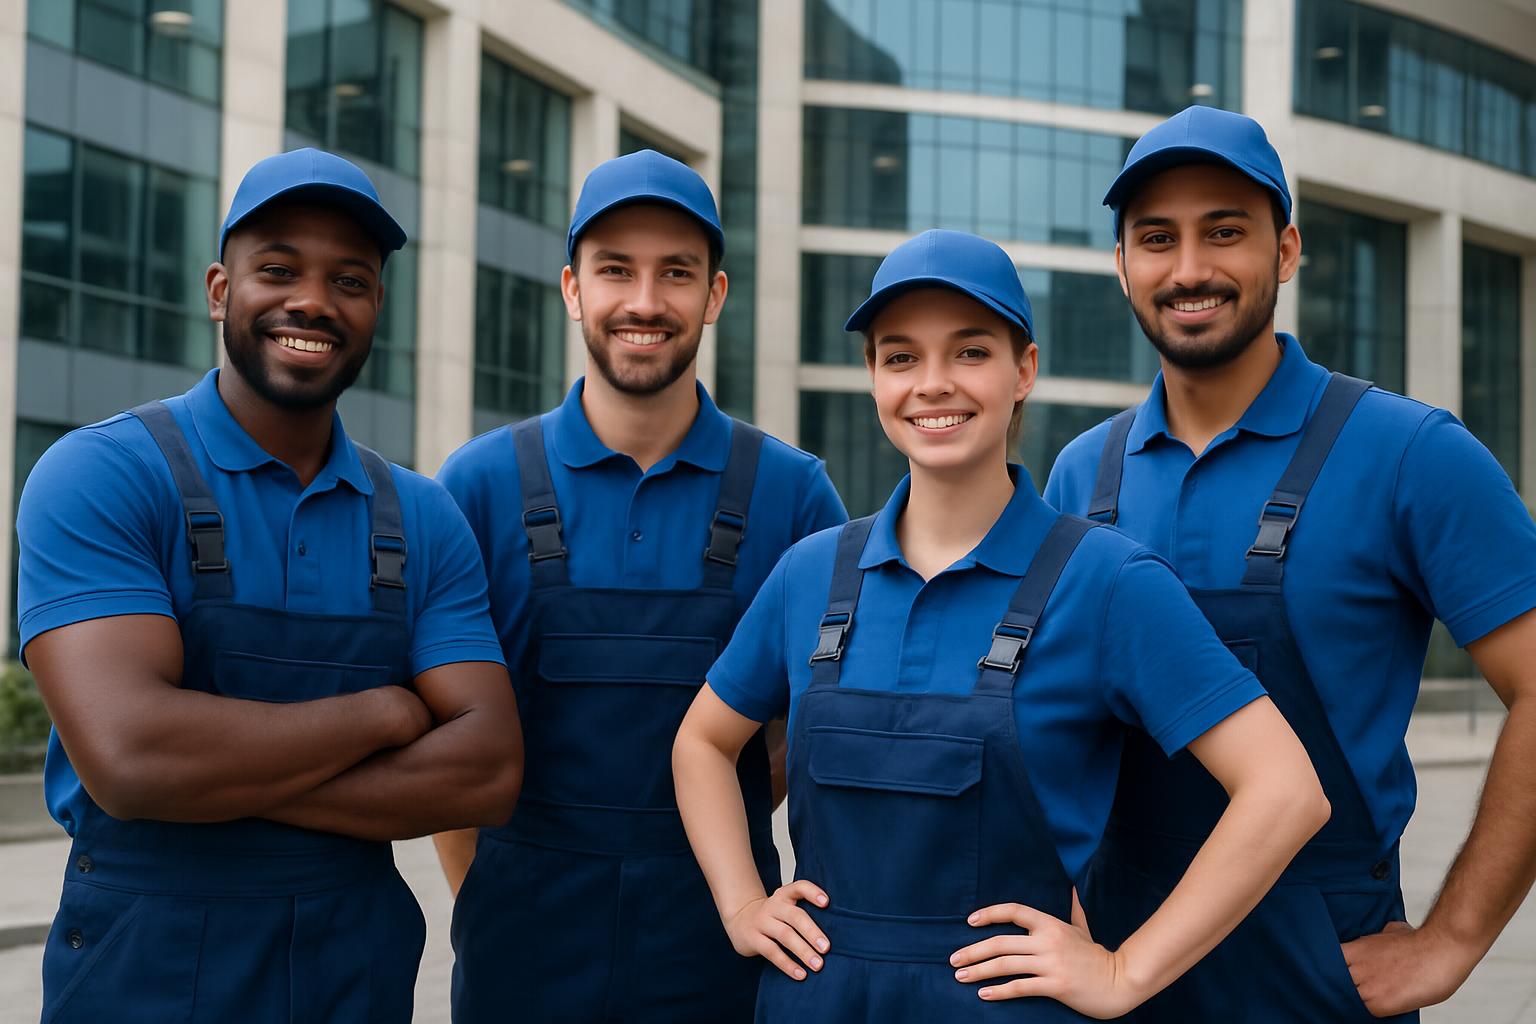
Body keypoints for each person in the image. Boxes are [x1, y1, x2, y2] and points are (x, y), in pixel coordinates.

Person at [673, 228, 1330, 1022]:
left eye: (970, 352)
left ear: (1024, 371)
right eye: (901, 356)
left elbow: (1285, 791)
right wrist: (743, 903)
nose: (934, 384)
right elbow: (703, 742)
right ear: (874, 378)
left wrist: (1126, 972)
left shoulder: (1107, 583)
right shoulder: (810, 574)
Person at [1045, 105, 1536, 1021]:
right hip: (1116, 962)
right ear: (1122, 266)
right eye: (1157, 239)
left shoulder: (1411, 453)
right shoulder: (1083, 474)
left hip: (1320, 968)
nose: (1189, 269)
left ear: (1286, 250)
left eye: (1224, 232)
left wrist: (1453, 940)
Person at [16, 148, 523, 1024]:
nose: (314, 301)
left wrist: (213, 785)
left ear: (374, 310)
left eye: (350, 280)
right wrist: (386, 716)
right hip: (143, 969)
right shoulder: (103, 476)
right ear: (220, 290)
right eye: (279, 269)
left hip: (351, 976)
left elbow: (486, 771)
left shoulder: (424, 518)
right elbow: (132, 760)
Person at [436, 149, 847, 1024]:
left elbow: (805, 737)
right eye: (615, 270)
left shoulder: (793, 495)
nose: (646, 302)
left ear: (715, 296)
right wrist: (495, 901)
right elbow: (451, 741)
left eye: (677, 273)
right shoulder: (475, 488)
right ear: (573, 288)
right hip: (521, 952)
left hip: (718, 950)